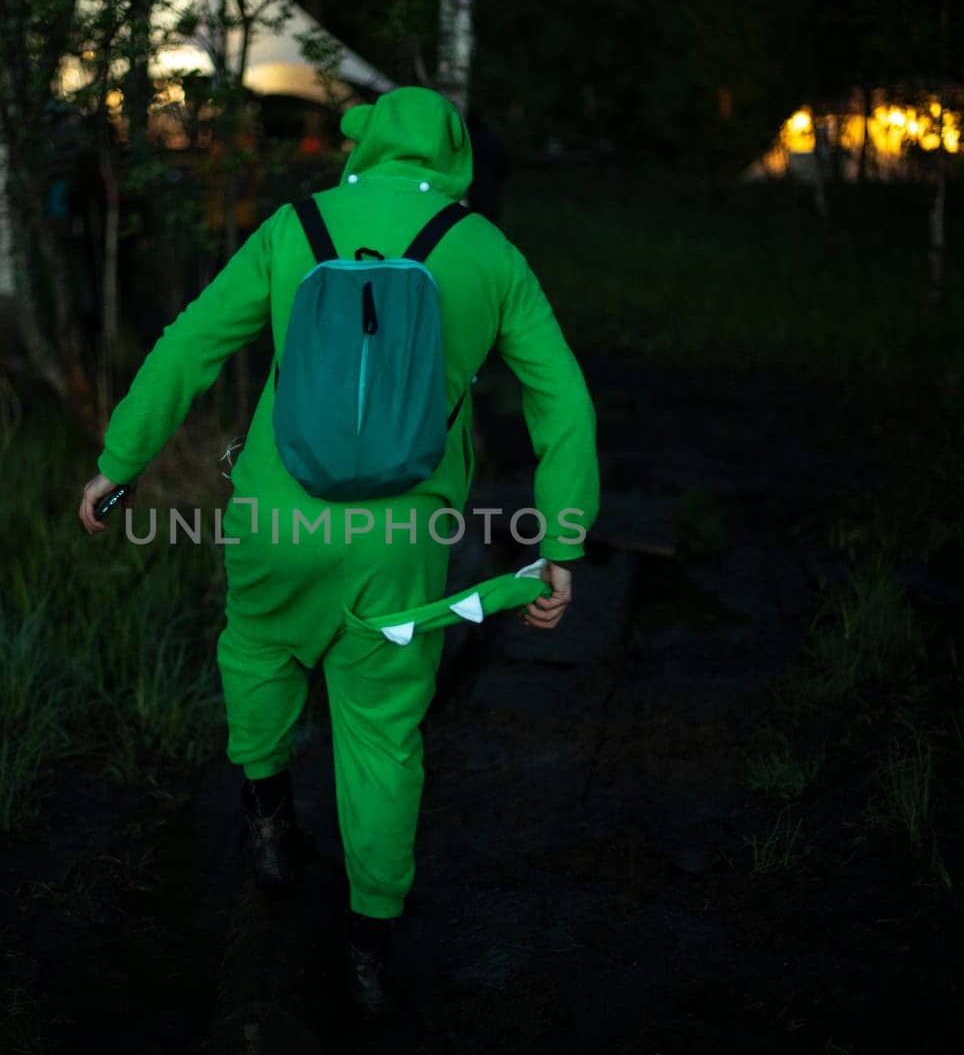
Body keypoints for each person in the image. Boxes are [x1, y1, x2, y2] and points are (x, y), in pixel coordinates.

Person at [79, 85, 599, 1019]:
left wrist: (118, 467)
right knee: (383, 734)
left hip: (277, 521)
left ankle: (270, 824)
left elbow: (190, 344)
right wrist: (558, 542)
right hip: (401, 543)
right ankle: (370, 947)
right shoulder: (485, 251)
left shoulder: (295, 225)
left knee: (259, 655)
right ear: (455, 156)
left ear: (362, 144)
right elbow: (561, 399)